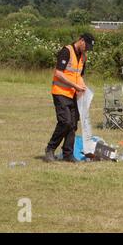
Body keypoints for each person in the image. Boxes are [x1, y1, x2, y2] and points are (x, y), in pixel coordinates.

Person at [44, 33, 95, 162]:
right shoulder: (66, 51)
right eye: (86, 46)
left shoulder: (84, 56)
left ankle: (68, 154)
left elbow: (79, 76)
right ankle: (50, 149)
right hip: (60, 92)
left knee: (72, 124)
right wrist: (75, 85)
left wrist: (83, 89)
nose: (87, 49)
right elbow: (59, 73)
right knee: (65, 122)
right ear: (81, 41)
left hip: (74, 94)